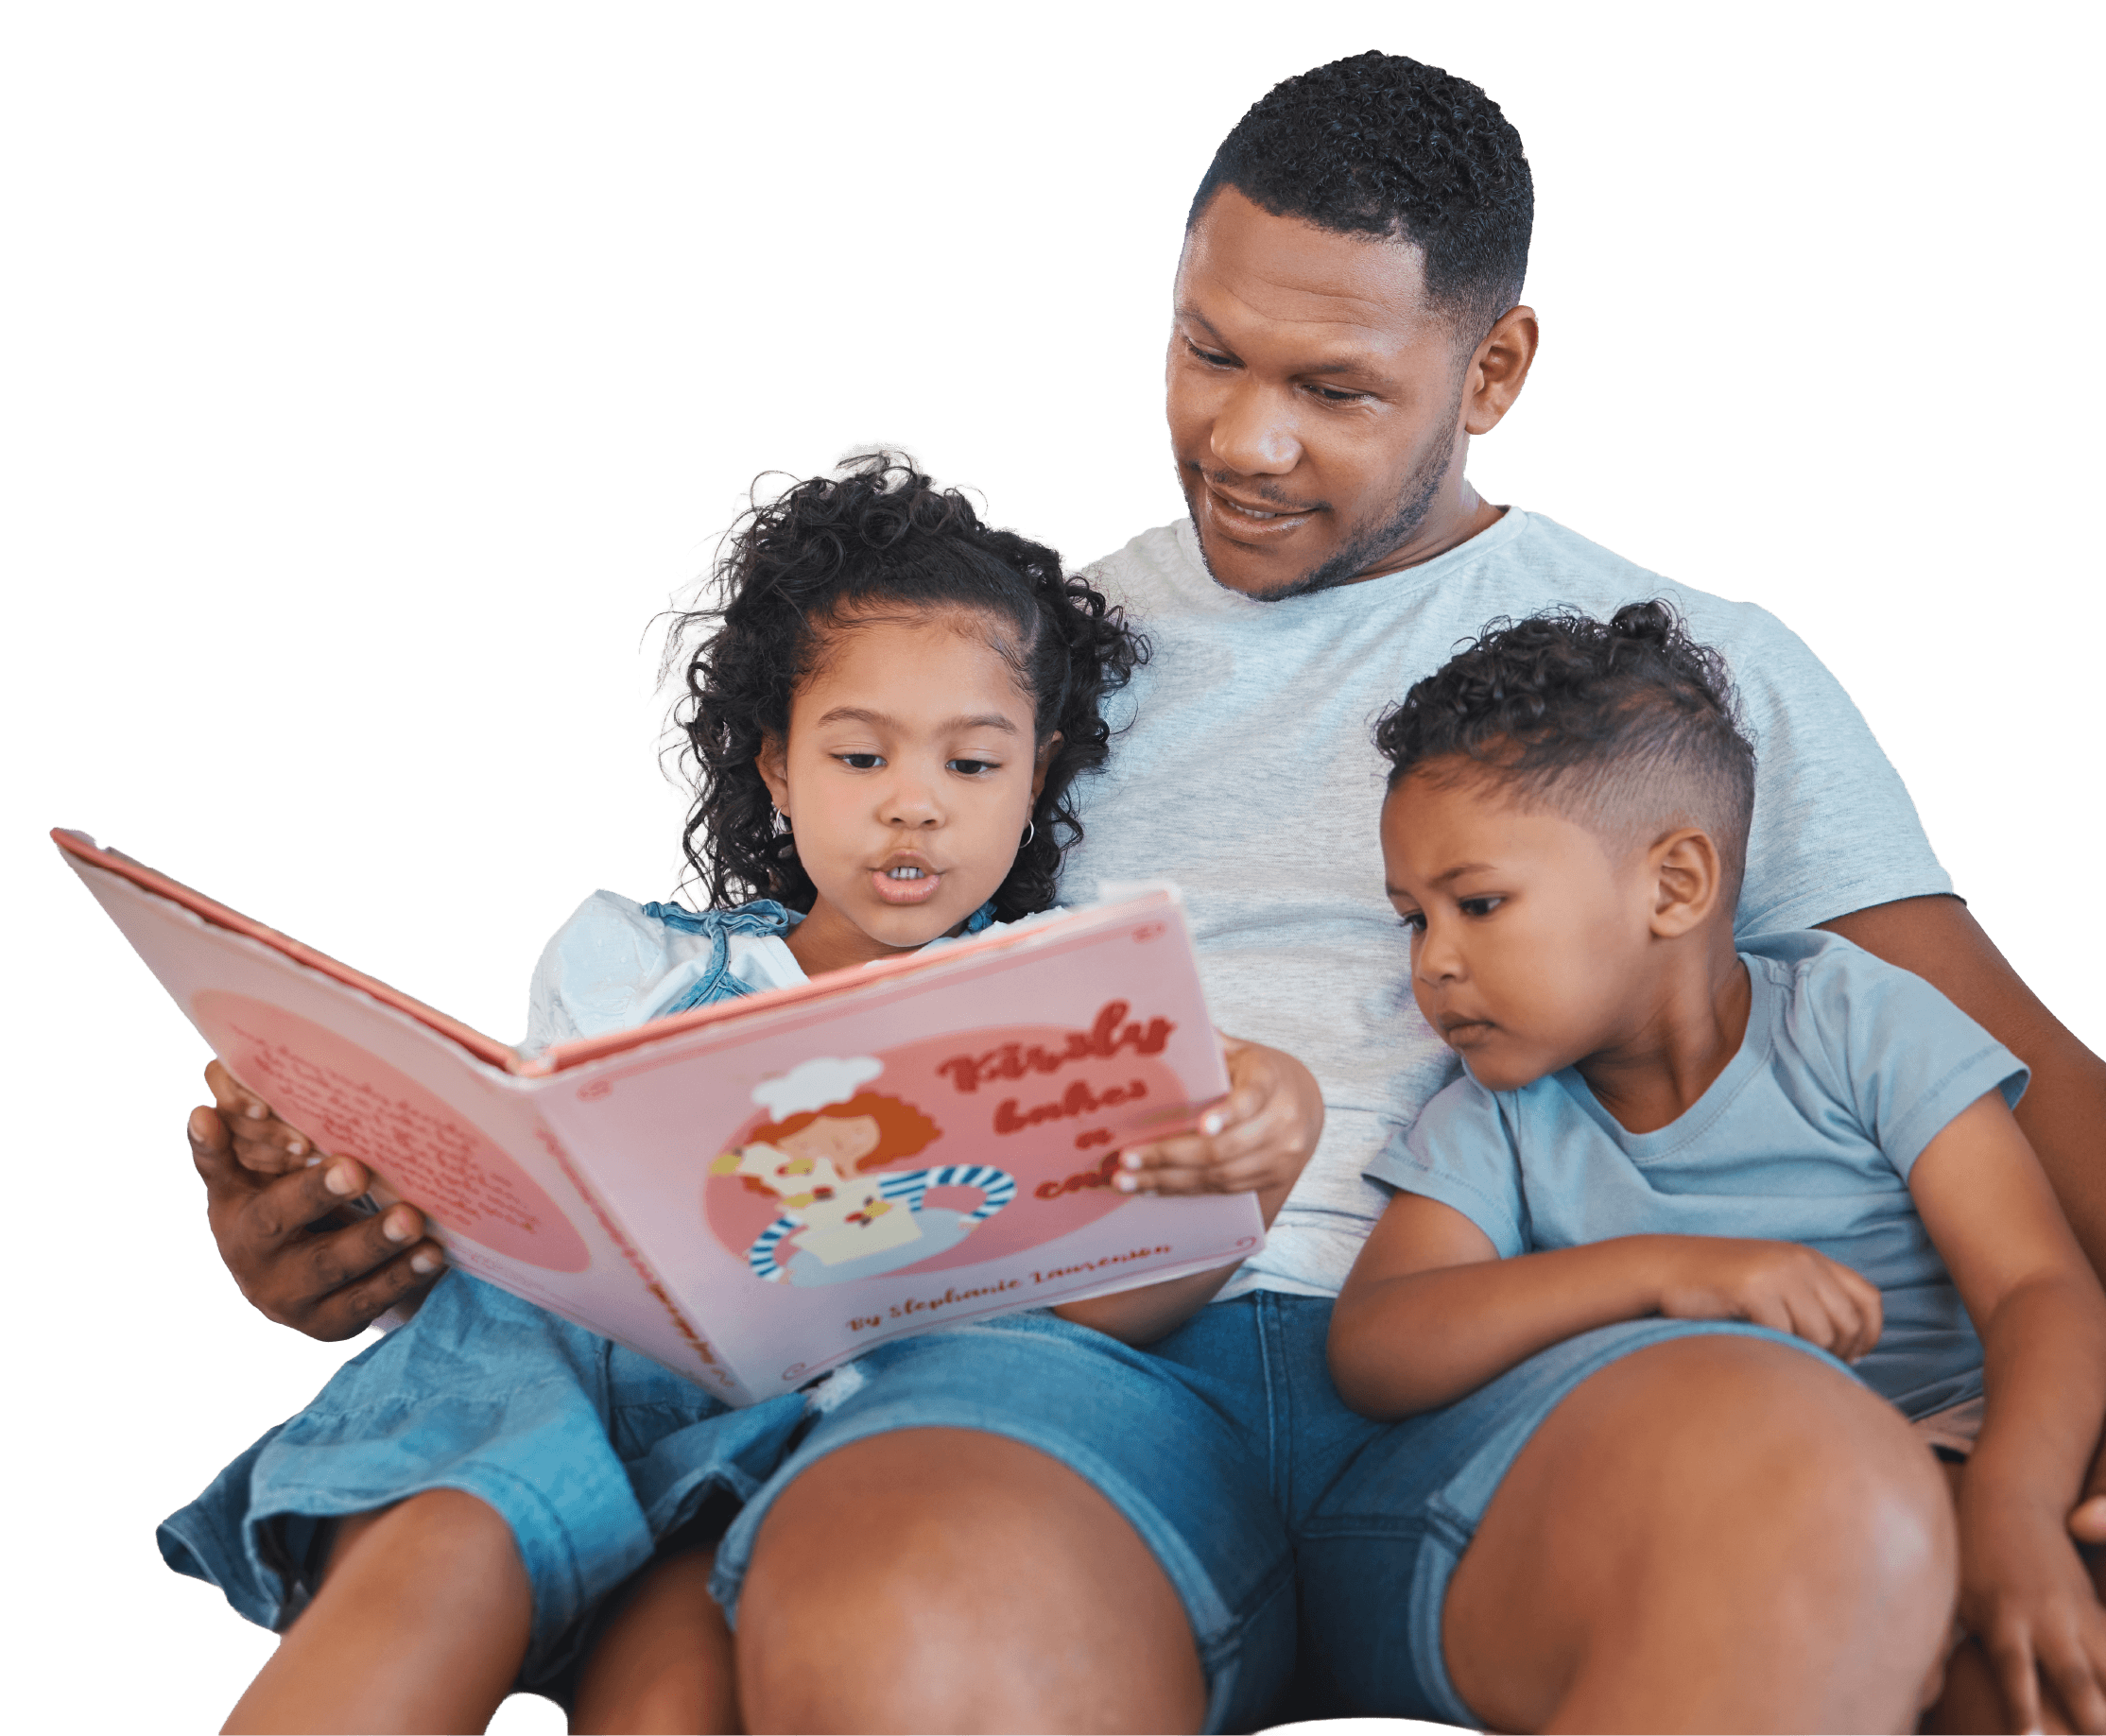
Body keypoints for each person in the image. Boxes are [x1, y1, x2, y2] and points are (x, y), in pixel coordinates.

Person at [188, 52, 2106, 1732]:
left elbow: (2009, 1073)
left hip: (1523, 1340)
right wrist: (409, 1232)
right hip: (1073, 1350)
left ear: (1493, 366)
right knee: (898, 1585)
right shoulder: (1012, 667)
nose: (1246, 441)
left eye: (1338, 387)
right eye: (1208, 352)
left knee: (1820, 1504)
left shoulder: (1687, 669)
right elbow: (762, 1057)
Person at [171, 444, 1323, 1735]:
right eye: (860, 757)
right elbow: (523, 1213)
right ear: (776, 766)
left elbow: (1097, 1306)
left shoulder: (1055, 1029)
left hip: (772, 1445)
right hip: (542, 1379)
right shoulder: (639, 963)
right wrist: (366, 1160)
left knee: (669, 1689)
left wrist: (1261, 1163)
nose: (915, 811)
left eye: (972, 765)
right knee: (438, 1559)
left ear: (1039, 774)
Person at [1329, 601, 2106, 1733]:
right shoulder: (1496, 1113)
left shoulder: (1852, 1017)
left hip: (1976, 1451)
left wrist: (2012, 1507)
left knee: (2032, 1688)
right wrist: (1664, 1270)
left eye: (1478, 904)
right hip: (1732, 1517)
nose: (1434, 966)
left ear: (1675, 885)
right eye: (1411, 919)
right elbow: (1376, 1345)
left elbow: (2038, 1289)